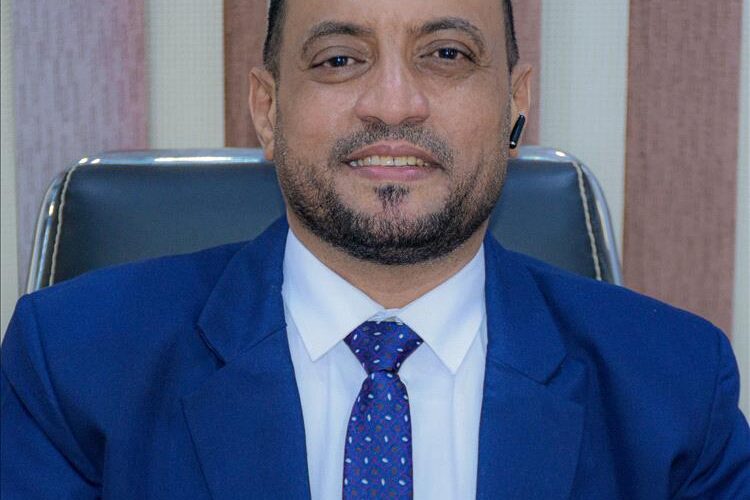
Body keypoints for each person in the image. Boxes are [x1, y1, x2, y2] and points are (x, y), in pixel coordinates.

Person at [2, 0, 748, 498]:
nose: (394, 104)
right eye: (338, 60)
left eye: (447, 54)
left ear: (516, 105)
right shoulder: (70, 366)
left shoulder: (678, 389)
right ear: (267, 108)